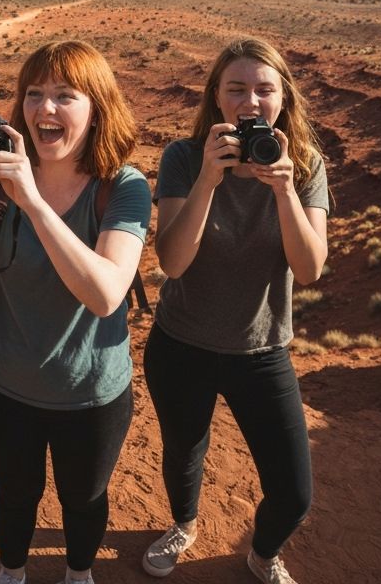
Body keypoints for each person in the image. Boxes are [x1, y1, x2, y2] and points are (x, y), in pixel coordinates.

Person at [0, 40, 151, 584]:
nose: (45, 109)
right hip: (3, 384)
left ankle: (78, 574)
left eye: (65, 96)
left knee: (83, 499)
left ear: (96, 108)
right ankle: (12, 573)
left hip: (90, 392)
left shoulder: (123, 186)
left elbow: (105, 294)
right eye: (34, 94)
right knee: (15, 494)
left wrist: (34, 202)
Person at [142, 37, 329, 584]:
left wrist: (284, 191)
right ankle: (183, 523)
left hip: (261, 351)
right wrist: (207, 178)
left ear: (283, 98)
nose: (251, 100)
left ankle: (262, 552)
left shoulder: (306, 164)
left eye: (264, 89)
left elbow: (311, 268)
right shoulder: (184, 157)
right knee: (183, 453)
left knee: (294, 492)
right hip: (182, 345)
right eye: (237, 89)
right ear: (217, 99)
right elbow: (173, 262)